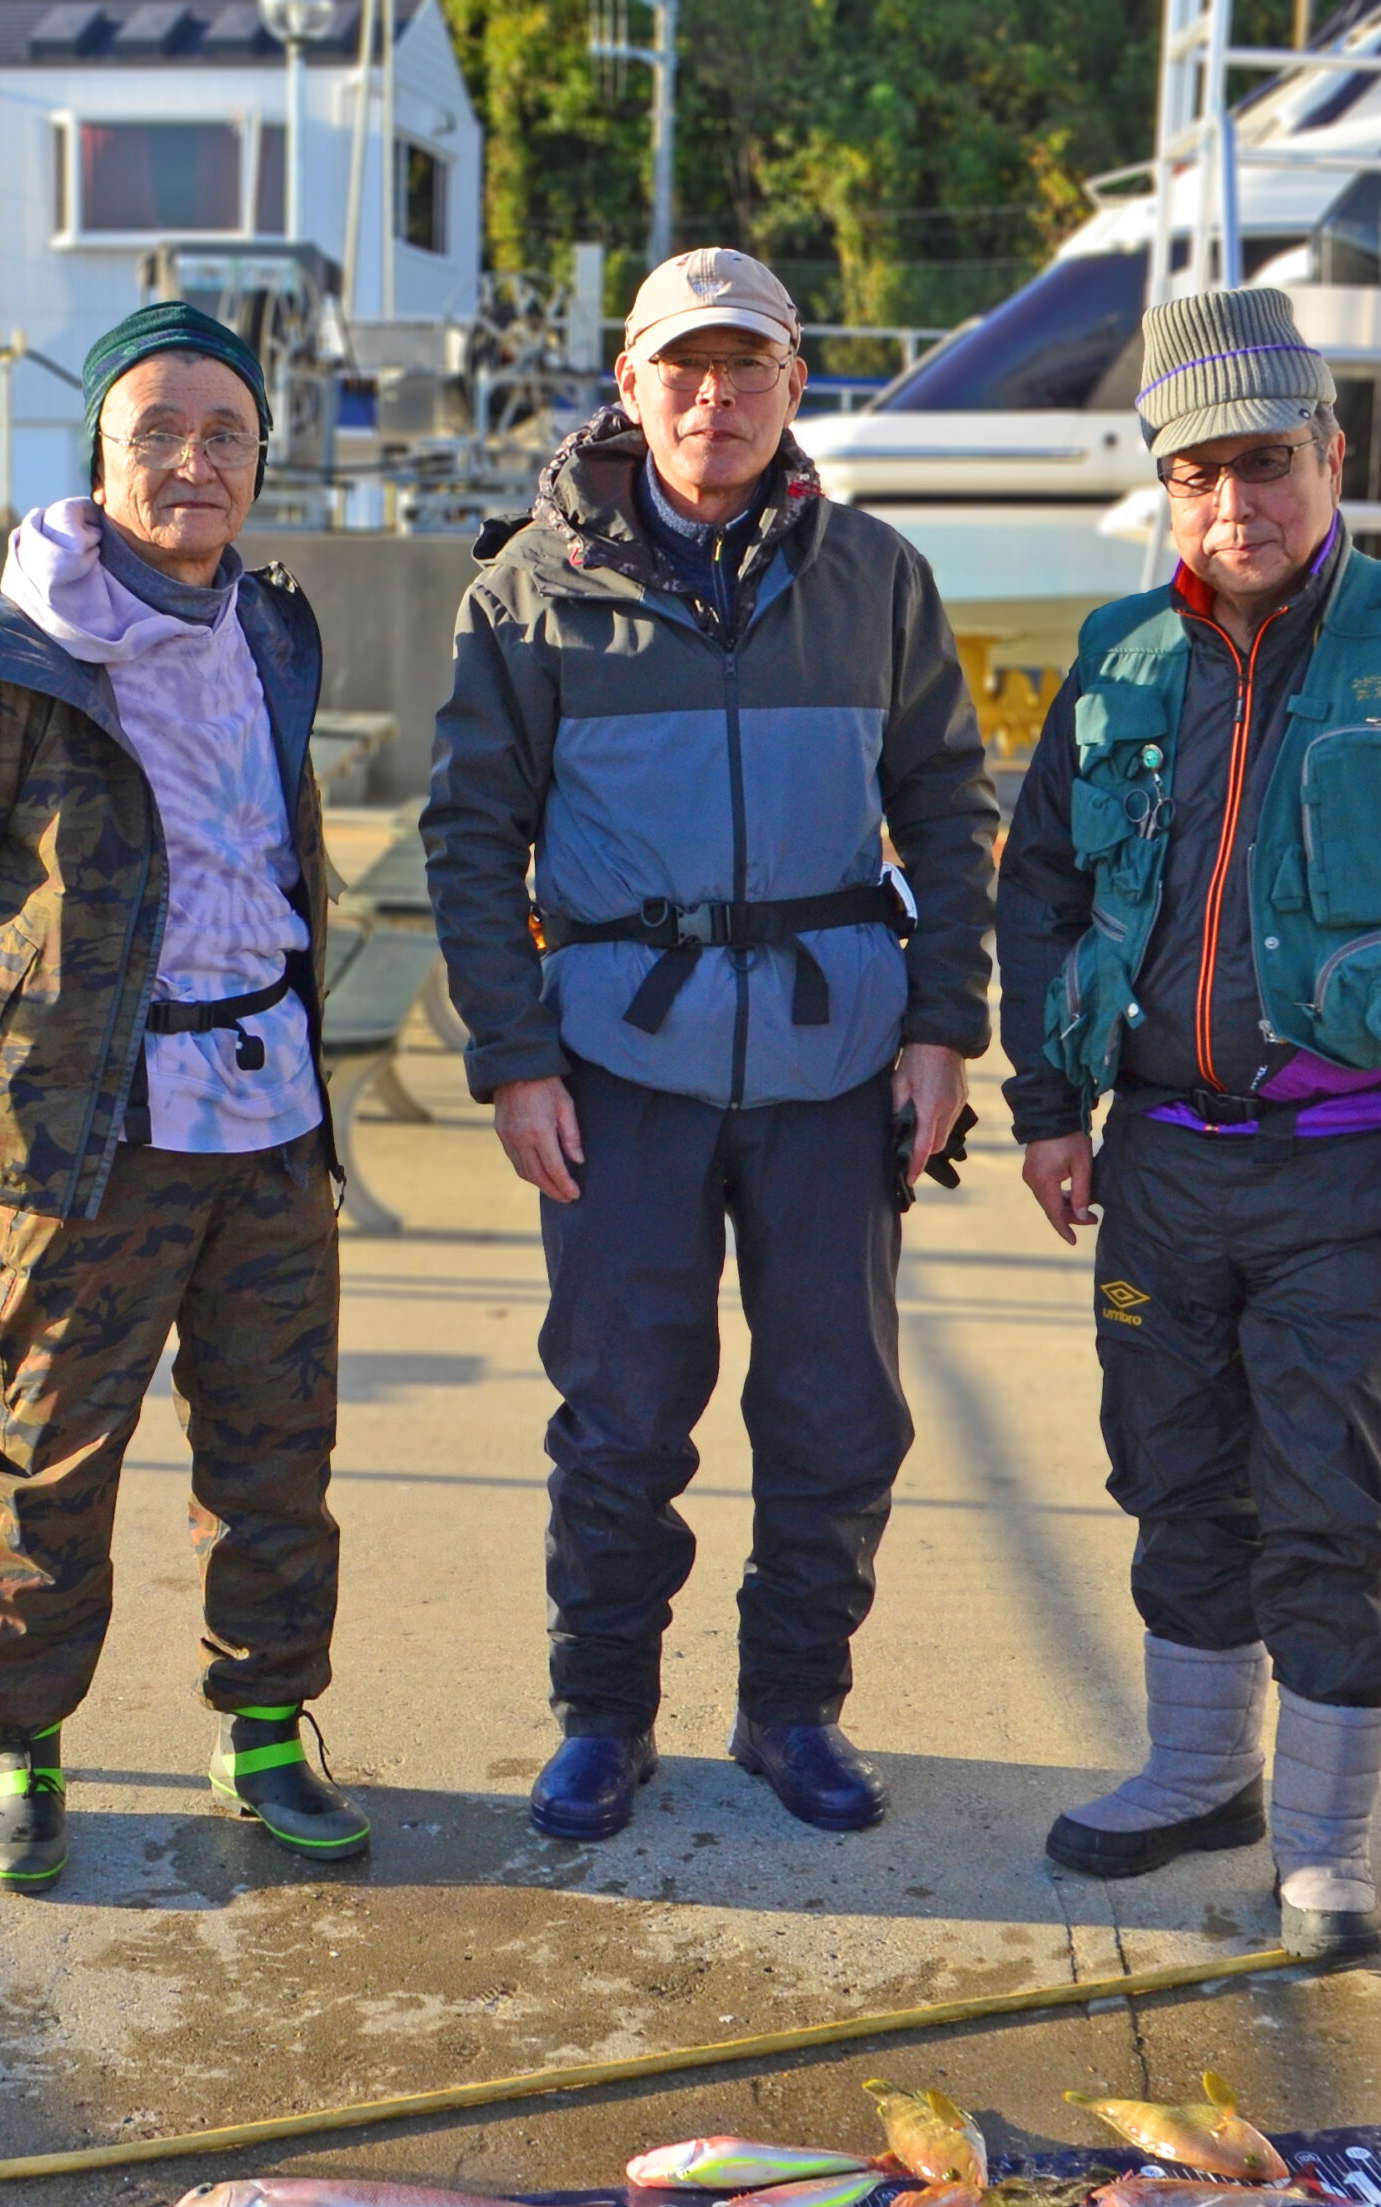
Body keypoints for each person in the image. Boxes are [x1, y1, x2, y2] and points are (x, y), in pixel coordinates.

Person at [996, 286, 1381, 1958]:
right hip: (1161, 1161)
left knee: (1328, 1505)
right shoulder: (1118, 657)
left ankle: (1325, 1848)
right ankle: (1196, 1776)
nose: (1233, 505)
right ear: (1163, 487)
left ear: (1331, 458)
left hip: (1350, 1166)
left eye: (1266, 465)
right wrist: (1047, 1105)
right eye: (1197, 475)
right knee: (1176, 1480)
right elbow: (1037, 889)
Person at [424, 247, 998, 1843]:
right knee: (619, 1419)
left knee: (837, 1415)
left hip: (836, 1071)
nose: (715, 398)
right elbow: (471, 841)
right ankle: (603, 1717)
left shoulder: (876, 578)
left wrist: (949, 1024)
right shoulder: (524, 594)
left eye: (749, 367)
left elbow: (951, 810)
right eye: (683, 367)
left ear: (794, 386)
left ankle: (794, 1708)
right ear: (630, 386)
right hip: (619, 1076)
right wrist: (514, 1056)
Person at [0, 301, 367, 1893]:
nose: (193, 461)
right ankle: (22, 1745)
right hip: (98, 1126)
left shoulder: (276, 627)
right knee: (54, 1450)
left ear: (259, 459)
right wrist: (20, 1062)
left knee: (277, 1444)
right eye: (157, 429)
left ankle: (269, 1726)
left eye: (225, 433)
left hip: (271, 1108)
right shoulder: (8, 652)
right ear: (99, 452)